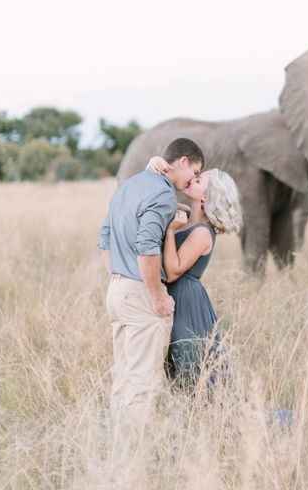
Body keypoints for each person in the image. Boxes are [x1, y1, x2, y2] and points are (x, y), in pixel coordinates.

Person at [98, 138, 204, 433]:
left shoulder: (130, 186)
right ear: (183, 161)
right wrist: (157, 296)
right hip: (140, 292)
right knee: (143, 384)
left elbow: (104, 234)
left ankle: (117, 445)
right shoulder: (161, 194)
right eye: (193, 173)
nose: (191, 180)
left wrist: (118, 274)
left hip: (116, 290)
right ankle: (135, 460)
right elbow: (147, 248)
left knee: (123, 378)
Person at [147, 157, 243, 390]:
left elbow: (172, 272)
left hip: (187, 302)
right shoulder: (189, 220)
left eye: (199, 180)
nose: (192, 179)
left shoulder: (202, 232)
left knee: (187, 363)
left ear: (207, 196)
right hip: (177, 298)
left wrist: (170, 232)